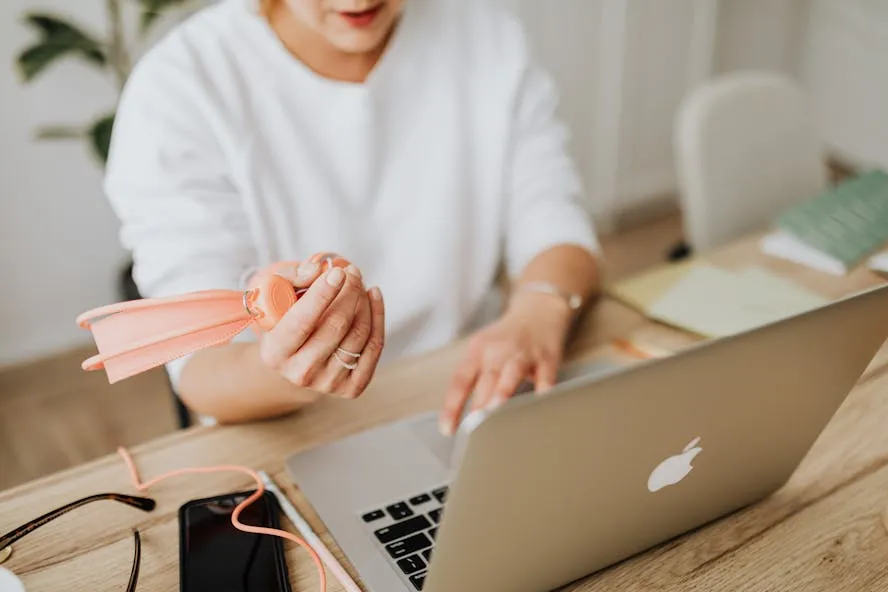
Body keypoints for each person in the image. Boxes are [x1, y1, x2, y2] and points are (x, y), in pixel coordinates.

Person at [105, 0, 603, 435]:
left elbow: (553, 218)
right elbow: (201, 372)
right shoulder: (180, 86)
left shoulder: (488, 35)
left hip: (468, 382)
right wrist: (289, 366)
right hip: (289, 425)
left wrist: (539, 309)